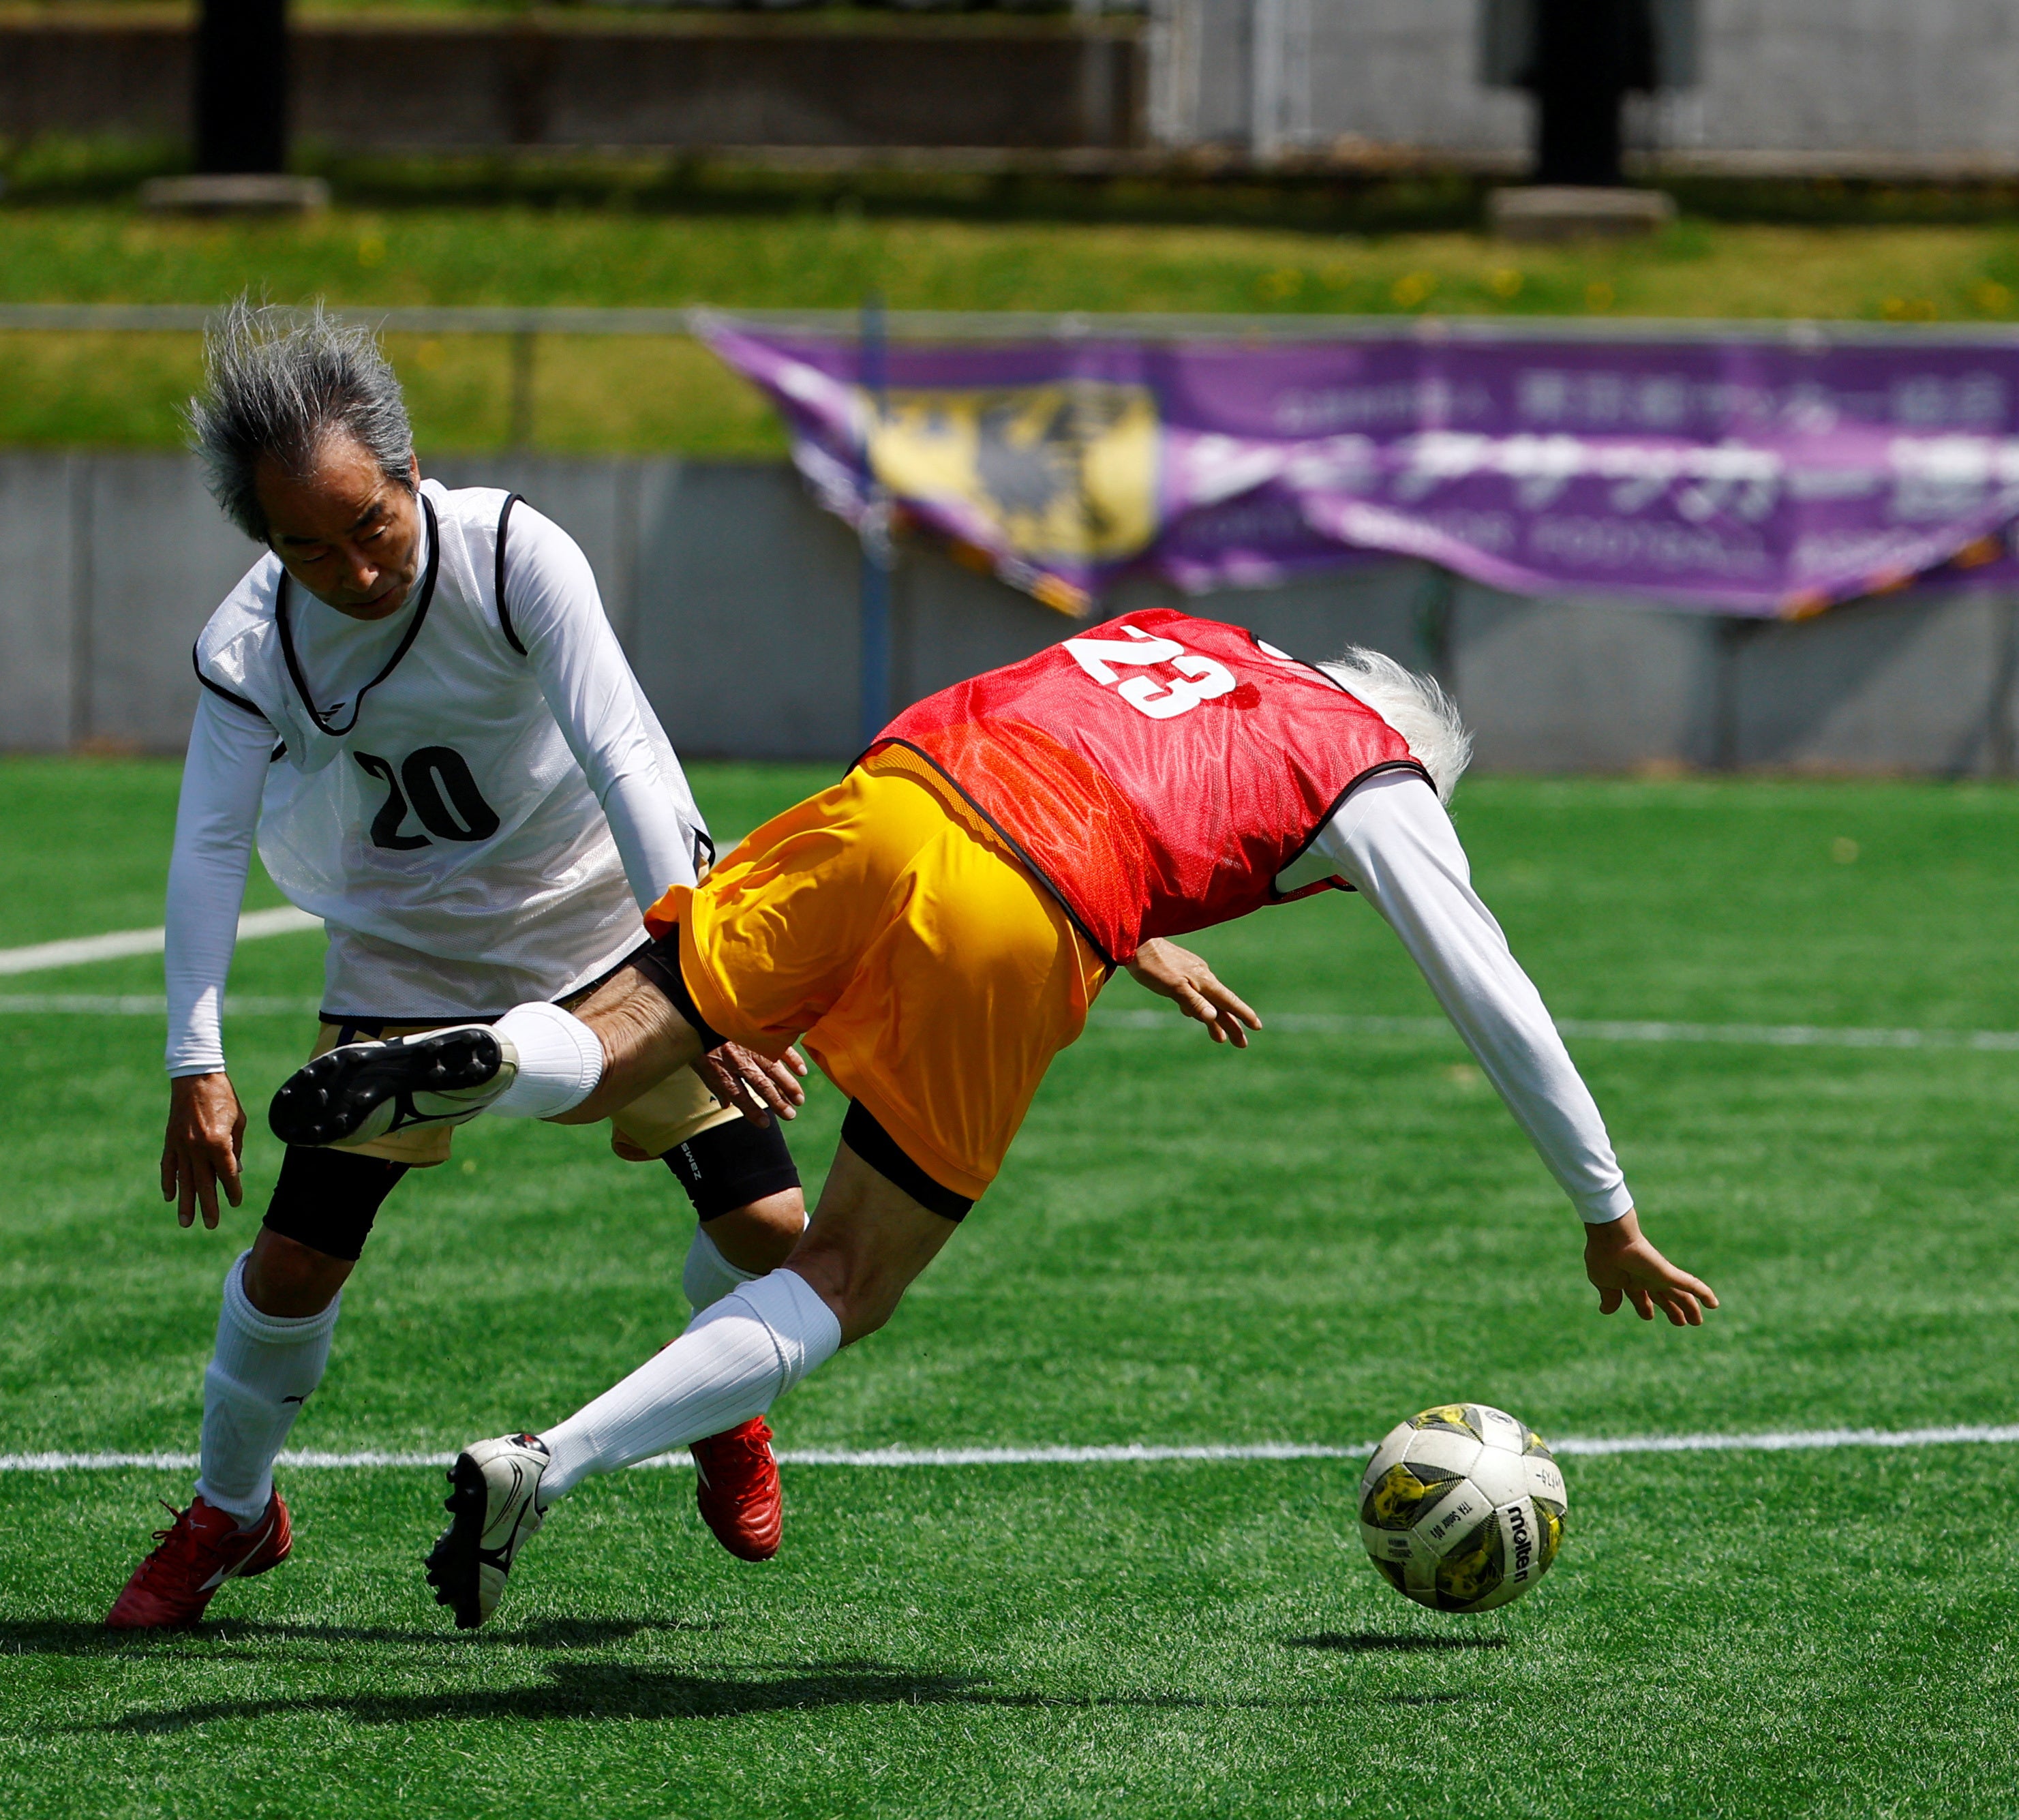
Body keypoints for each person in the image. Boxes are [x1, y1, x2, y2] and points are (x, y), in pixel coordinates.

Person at [271, 612, 1722, 1630]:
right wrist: (1608, 1213)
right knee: (844, 1273)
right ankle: (552, 1460)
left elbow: (1093, 753)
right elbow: (1496, 997)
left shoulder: (1196, 641)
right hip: (1014, 913)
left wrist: (1142, 931)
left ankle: (476, 1050)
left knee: (612, 1044)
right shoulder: (1380, 783)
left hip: (893, 793)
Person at [106, 304, 812, 1631]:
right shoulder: (253, 643)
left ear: (410, 473)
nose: (352, 571)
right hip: (403, 971)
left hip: (612, 937)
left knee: (774, 1235)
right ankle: (232, 1511)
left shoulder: (508, 551)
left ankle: (721, 1397)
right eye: (304, 546)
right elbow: (205, 847)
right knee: (292, 1267)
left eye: (368, 524)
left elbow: (629, 755)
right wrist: (194, 1059)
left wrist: (706, 973)